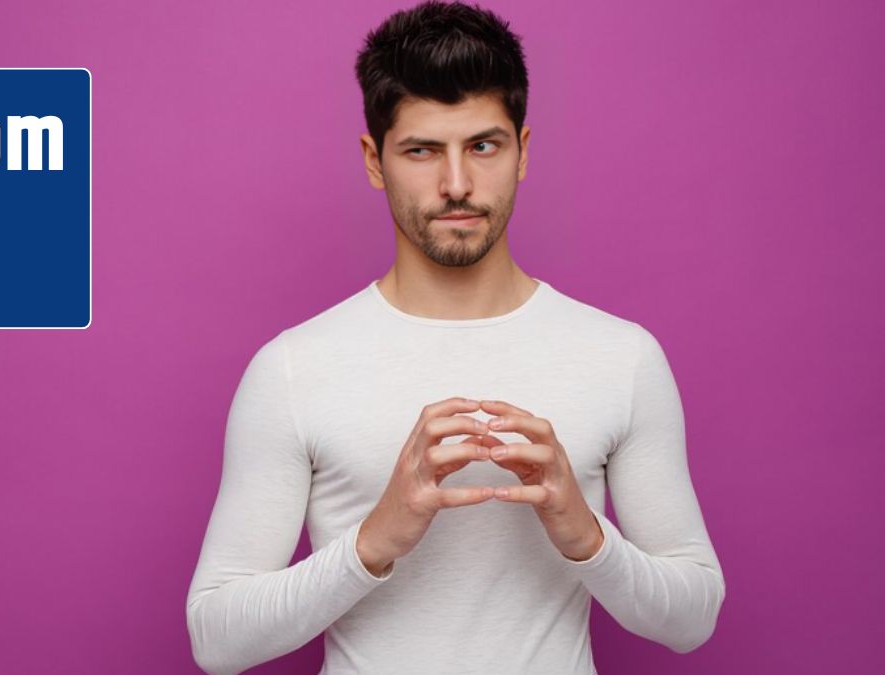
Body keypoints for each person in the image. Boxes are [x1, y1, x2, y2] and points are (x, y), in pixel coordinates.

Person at [185, 2, 726, 673]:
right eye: (421, 150)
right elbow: (216, 638)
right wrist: (374, 539)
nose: (457, 184)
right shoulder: (293, 368)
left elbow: (693, 617)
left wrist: (586, 536)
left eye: (483, 145)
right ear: (374, 160)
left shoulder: (623, 357)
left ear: (522, 151)